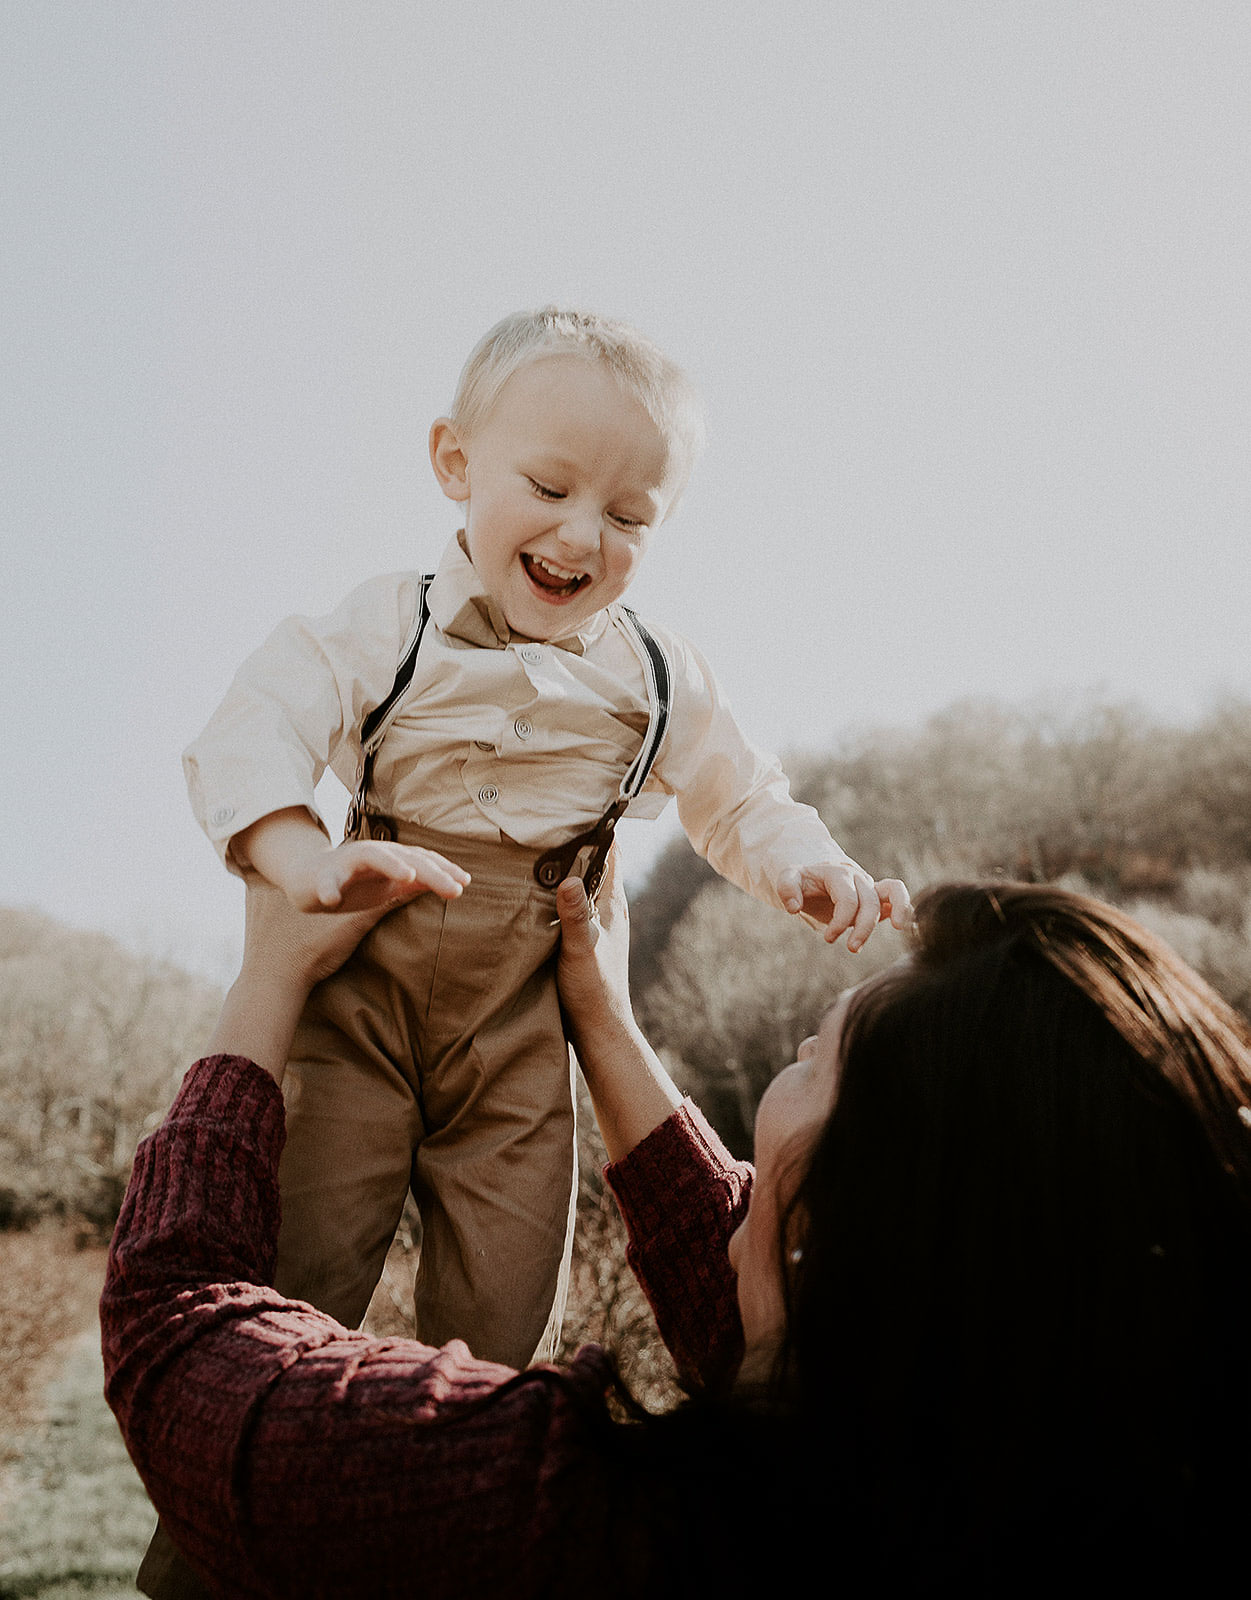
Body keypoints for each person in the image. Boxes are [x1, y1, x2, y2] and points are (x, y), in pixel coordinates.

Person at [104, 860, 1251, 1598]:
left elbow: (175, 1335)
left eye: (810, 1060)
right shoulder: (1008, 1496)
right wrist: (600, 1014)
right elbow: (769, 1313)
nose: (779, 1093)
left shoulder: (546, 1523)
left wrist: (268, 976)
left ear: (855, 1228)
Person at [181, 305, 906, 1371]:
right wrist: (300, 858)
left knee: (504, 1310)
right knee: (300, 1273)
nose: (580, 537)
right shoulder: (390, 626)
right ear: (456, 462)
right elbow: (258, 723)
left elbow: (740, 795)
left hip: (520, 1028)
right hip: (360, 998)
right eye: (550, 489)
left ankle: (470, 1495)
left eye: (629, 515)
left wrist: (806, 866)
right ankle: (241, 1520)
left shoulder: (659, 678)